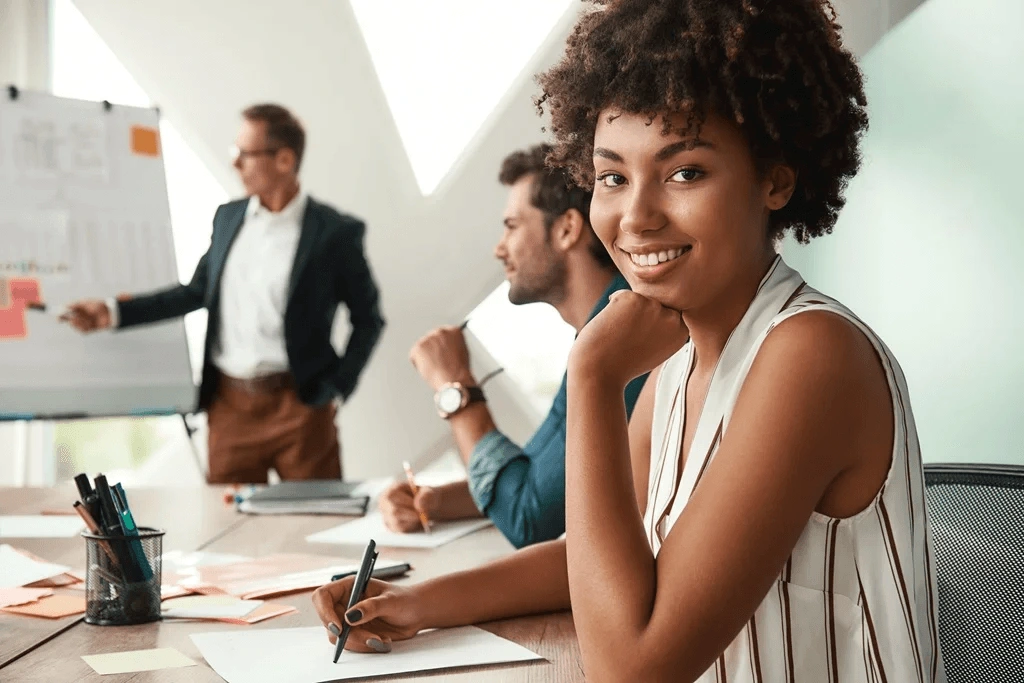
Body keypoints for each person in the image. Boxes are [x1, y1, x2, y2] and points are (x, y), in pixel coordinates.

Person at [314, 1, 947, 680]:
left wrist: (591, 373)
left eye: (685, 173)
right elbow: (588, 563)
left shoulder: (811, 354)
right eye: (613, 177)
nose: (636, 217)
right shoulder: (679, 362)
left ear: (775, 178)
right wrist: (409, 602)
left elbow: (630, 668)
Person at [63, 104, 385, 484]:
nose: (236, 164)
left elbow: (368, 319)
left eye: (244, 155)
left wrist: (337, 388)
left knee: (312, 522)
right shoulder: (228, 218)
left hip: (299, 408)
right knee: (228, 527)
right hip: (230, 406)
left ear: (284, 160)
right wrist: (113, 313)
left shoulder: (335, 233)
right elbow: (196, 292)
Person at [380, 144, 648, 548]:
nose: (498, 247)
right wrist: (435, 502)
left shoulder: (625, 337)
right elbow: (540, 473)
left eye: (511, 225)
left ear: (566, 230)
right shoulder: (600, 326)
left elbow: (530, 517)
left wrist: (456, 388)